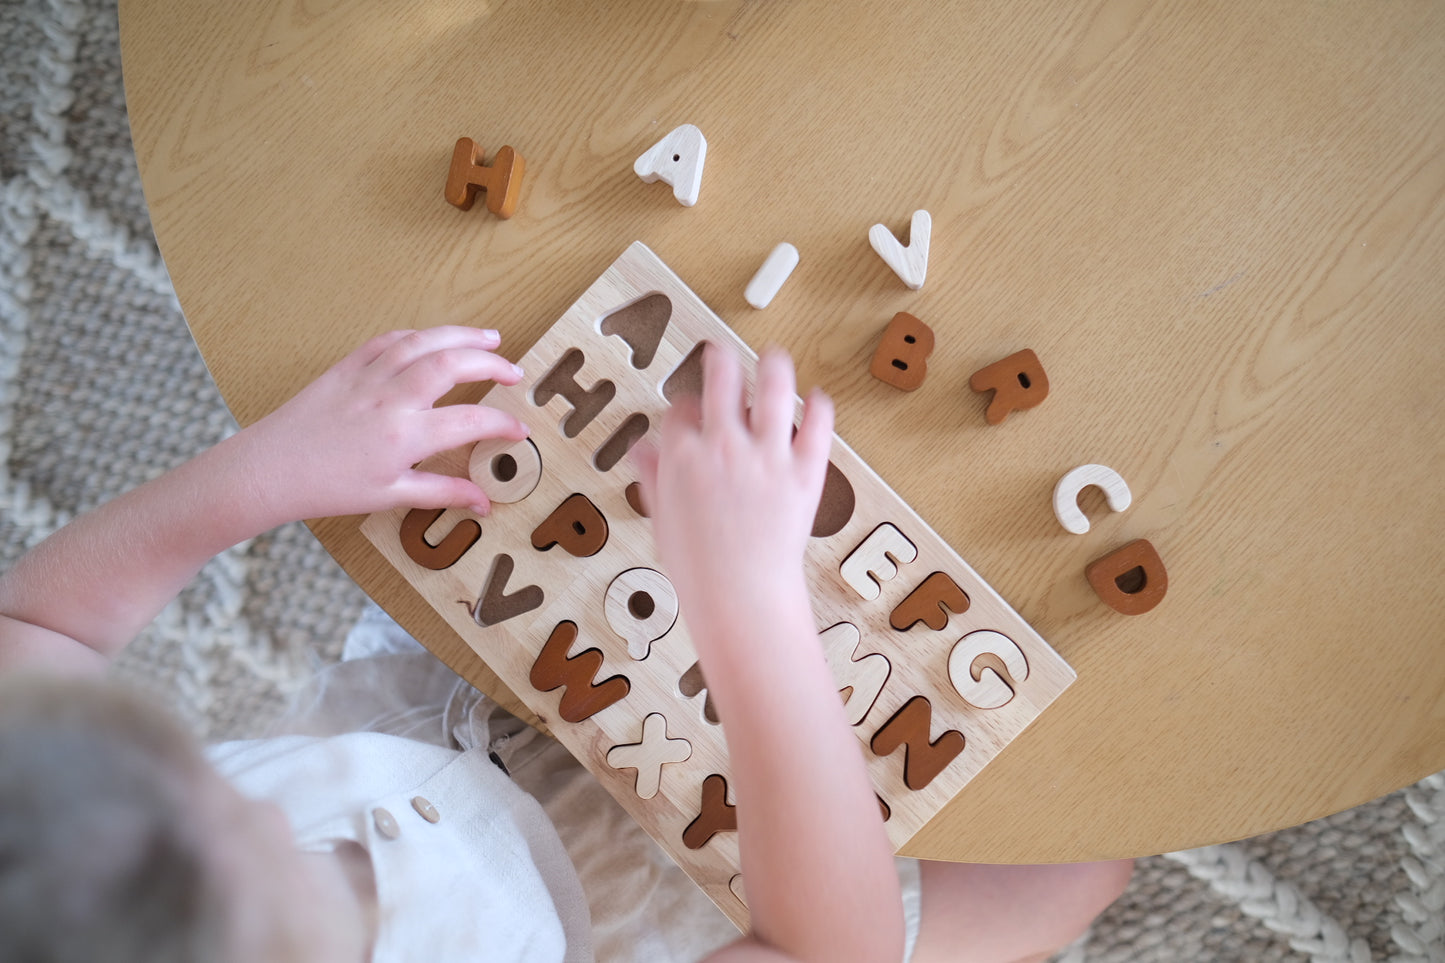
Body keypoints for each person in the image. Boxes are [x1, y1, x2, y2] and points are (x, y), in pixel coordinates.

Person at [0, 325, 1132, 962]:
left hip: (436, 709)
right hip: (630, 916)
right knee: (1082, 857)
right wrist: (745, 601)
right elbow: (826, 952)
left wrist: (263, 474)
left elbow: (31, 630)